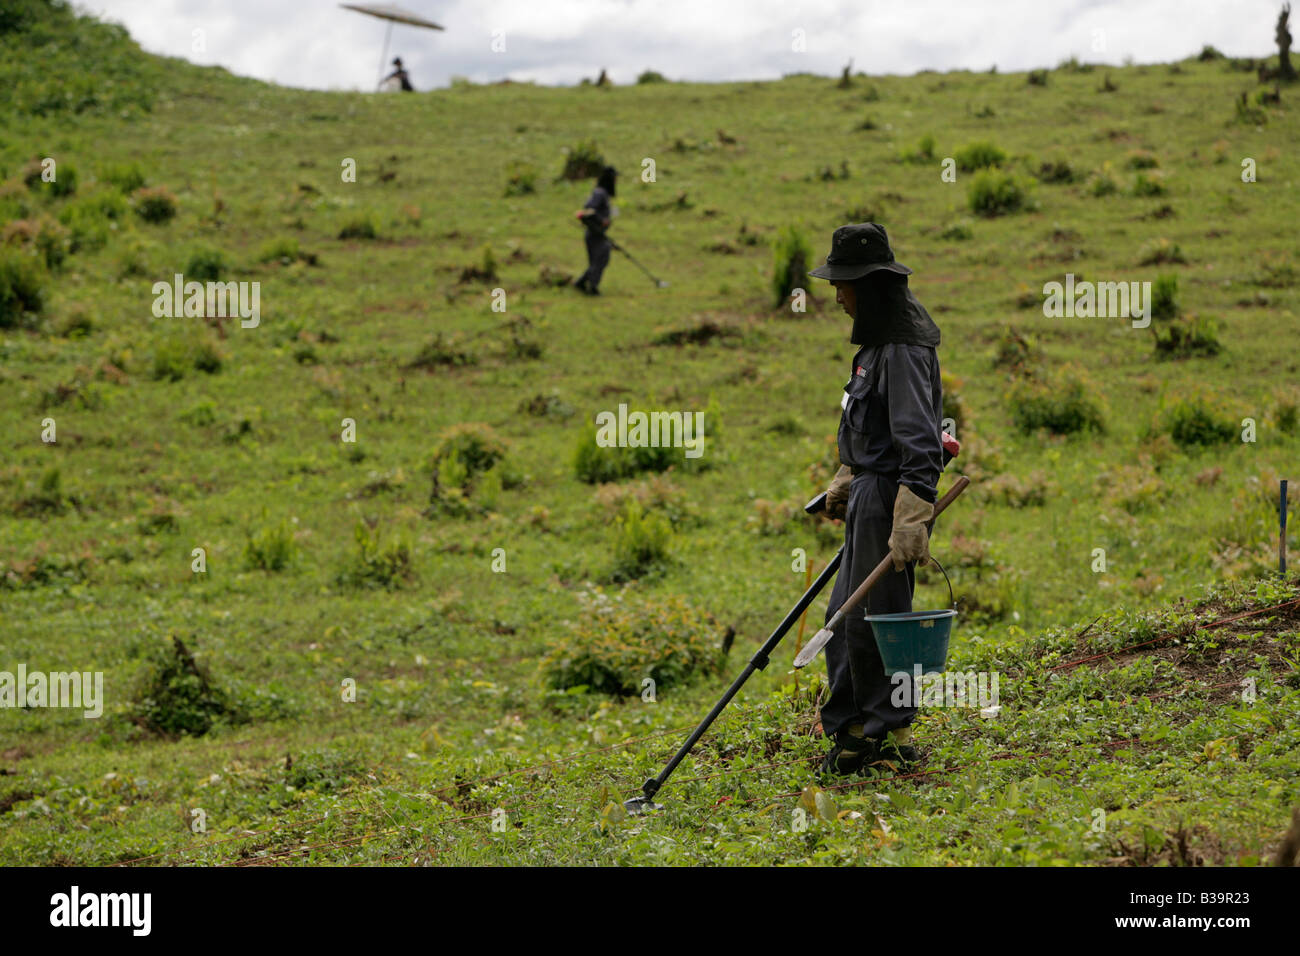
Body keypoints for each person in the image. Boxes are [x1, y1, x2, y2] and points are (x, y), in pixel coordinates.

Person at [805, 222, 945, 778]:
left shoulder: (904, 350)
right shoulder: (875, 346)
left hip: (890, 498)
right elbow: (870, 426)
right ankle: (858, 728)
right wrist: (845, 474)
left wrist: (912, 514)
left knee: (876, 618)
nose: (837, 293)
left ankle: (885, 733)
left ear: (869, 284)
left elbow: (917, 438)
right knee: (846, 616)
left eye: (843, 283)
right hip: (869, 492)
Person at [573, 166, 617, 295]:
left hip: (598, 233)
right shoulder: (600, 193)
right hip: (594, 233)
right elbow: (588, 210)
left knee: (598, 260)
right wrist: (601, 220)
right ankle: (590, 286)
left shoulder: (603, 194)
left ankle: (582, 283)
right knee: (601, 259)